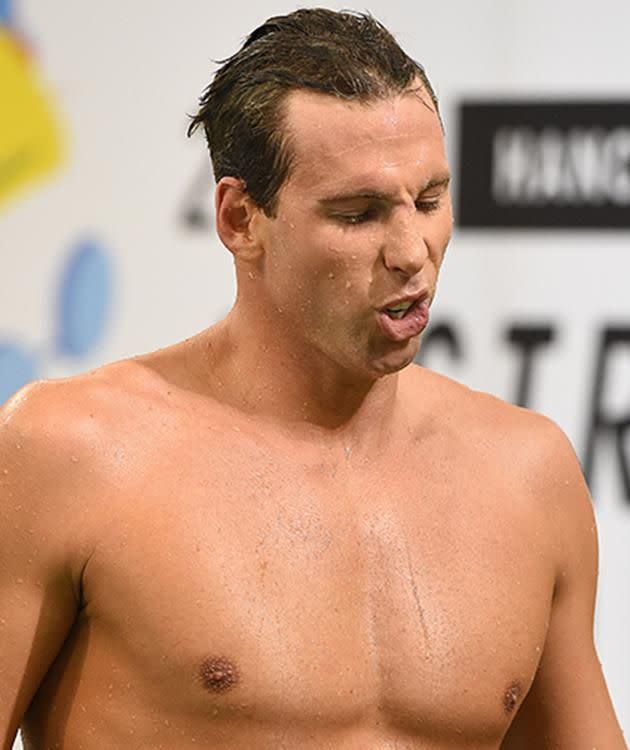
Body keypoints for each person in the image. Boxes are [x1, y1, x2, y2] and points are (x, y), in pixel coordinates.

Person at [0, 8, 626, 750]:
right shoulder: (72, 455)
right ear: (240, 219)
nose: (411, 251)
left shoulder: (527, 472)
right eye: (358, 214)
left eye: (429, 201)